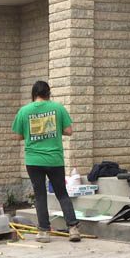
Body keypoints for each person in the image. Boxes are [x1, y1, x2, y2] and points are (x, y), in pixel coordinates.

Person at [12, 81, 81, 243]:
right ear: (48, 93)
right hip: (54, 159)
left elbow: (16, 136)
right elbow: (69, 131)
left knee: (40, 195)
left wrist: (32, 134)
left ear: (34, 93)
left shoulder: (24, 111)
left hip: (33, 160)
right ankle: (73, 229)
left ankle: (43, 232)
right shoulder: (58, 108)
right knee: (61, 193)